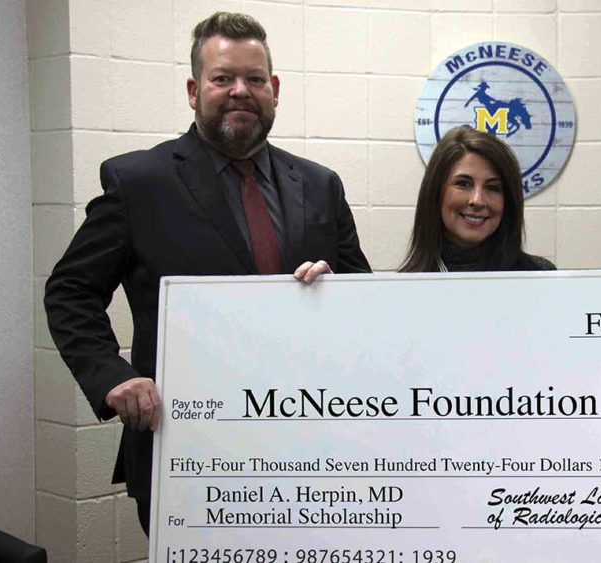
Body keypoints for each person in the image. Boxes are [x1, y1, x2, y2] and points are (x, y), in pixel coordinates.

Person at [43, 12, 370, 535]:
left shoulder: (320, 185)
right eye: (223, 78)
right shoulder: (138, 182)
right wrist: (114, 376)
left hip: (310, 447)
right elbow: (70, 292)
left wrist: (337, 291)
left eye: (254, 79)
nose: (240, 91)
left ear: (275, 89)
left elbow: (364, 296)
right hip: (188, 446)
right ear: (195, 90)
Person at [399, 127, 554, 272]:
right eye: (463, 184)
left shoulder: (539, 276)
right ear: (436, 192)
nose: (477, 200)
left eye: (493, 187)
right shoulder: (403, 288)